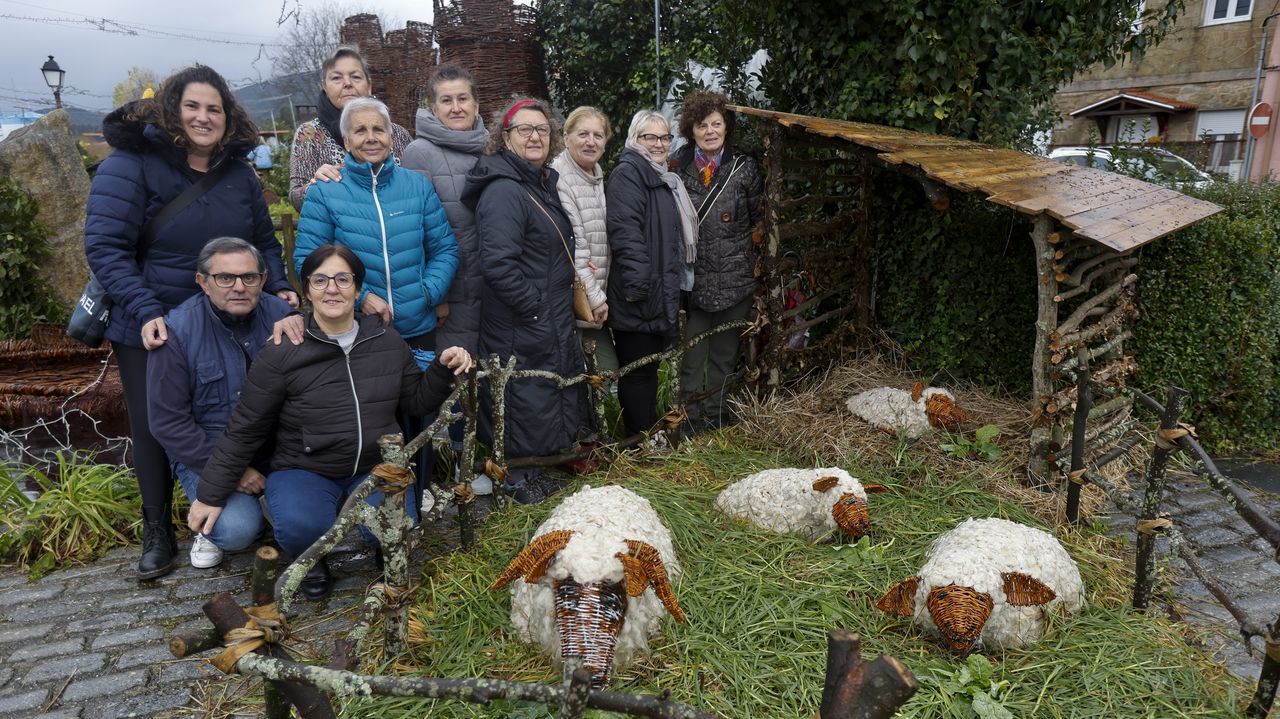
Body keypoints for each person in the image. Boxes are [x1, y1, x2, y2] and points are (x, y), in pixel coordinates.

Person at [84, 64, 299, 581]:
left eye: (215, 109)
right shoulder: (131, 163)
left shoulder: (239, 173)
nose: (204, 118)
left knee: (241, 403)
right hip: (151, 317)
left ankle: (246, 494)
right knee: (154, 424)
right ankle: (157, 529)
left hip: (231, 311)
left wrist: (279, 285)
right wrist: (145, 309)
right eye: (193, 106)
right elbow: (106, 248)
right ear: (173, 110)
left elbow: (263, 240)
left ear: (229, 117)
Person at [194, 245, 473, 599]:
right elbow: (246, 425)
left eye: (343, 279)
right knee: (302, 525)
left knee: (398, 527)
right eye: (320, 280)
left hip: (376, 468)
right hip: (305, 467)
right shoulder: (283, 349)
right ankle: (311, 560)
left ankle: (382, 549)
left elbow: (416, 401)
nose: (332, 288)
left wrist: (442, 368)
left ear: (358, 289)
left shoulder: (386, 341)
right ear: (307, 290)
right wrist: (210, 495)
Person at [288, 96, 458, 505]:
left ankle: (419, 494)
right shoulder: (327, 192)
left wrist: (425, 292)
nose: (370, 137)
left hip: (416, 328)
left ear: (391, 135)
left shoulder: (417, 186)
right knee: (377, 419)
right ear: (345, 140)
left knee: (421, 416)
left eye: (378, 129)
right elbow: (307, 261)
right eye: (360, 130)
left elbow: (445, 249)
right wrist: (360, 297)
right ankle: (378, 501)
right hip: (360, 332)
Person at [461, 96, 592, 503]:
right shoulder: (503, 190)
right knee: (521, 395)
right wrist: (535, 307)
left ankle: (535, 470)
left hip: (543, 315)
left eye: (542, 129)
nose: (535, 136)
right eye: (525, 130)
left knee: (539, 394)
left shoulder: (538, 182)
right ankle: (519, 479)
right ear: (506, 137)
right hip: (522, 321)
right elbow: (498, 263)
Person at [146, 238, 293, 569]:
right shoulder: (177, 332)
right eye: (225, 278)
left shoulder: (283, 316)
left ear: (263, 279)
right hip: (209, 452)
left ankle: (274, 507)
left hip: (277, 448)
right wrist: (235, 471)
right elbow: (168, 422)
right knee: (236, 529)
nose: (238, 287)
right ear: (203, 282)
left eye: (249, 278)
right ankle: (211, 527)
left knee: (313, 509)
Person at [604, 110, 698, 437]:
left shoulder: (661, 177)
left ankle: (645, 437)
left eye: (664, 137)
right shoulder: (629, 174)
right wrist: (639, 288)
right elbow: (625, 232)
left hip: (657, 290)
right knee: (639, 373)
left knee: (648, 370)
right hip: (639, 294)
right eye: (650, 137)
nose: (659, 144)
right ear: (635, 139)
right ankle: (640, 442)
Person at [674, 90, 763, 432]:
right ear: (691, 129)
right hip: (695, 278)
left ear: (726, 127)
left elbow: (758, 218)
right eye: (702, 125)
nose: (710, 131)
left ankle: (717, 413)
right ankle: (690, 417)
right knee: (694, 352)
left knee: (725, 352)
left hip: (735, 275)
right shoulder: (678, 166)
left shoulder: (744, 167)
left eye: (716, 123)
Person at [401, 64, 487, 356]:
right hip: (452, 295)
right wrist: (436, 295)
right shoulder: (419, 153)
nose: (456, 108)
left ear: (476, 104)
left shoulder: (491, 149)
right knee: (455, 383)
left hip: (492, 291)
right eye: (446, 100)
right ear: (433, 107)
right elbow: (415, 234)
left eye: (463, 99)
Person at [287, 45, 412, 211]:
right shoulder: (309, 134)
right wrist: (314, 186)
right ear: (324, 86)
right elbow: (296, 199)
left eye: (355, 77)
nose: (347, 84)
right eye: (337, 78)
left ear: (369, 85)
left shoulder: (397, 133)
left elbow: (416, 187)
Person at [550, 106, 617, 376]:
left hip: (591, 295)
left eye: (598, 135)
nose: (591, 141)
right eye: (583, 134)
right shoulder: (561, 178)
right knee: (592, 374)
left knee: (603, 375)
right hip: (574, 300)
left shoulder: (594, 174)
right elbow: (574, 246)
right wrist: (596, 298)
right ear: (566, 137)